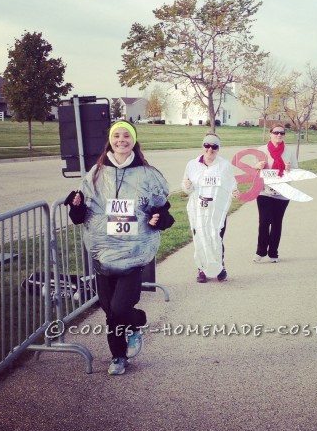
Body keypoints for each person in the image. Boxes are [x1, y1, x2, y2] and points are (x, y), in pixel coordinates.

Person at [64, 120, 173, 376]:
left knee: (120, 308)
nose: (121, 140)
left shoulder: (148, 174)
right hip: (103, 254)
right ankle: (131, 331)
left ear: (134, 140)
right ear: (110, 140)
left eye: (126, 136)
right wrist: (76, 205)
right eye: (117, 136)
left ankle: (119, 355)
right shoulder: (96, 173)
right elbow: (80, 217)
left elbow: (163, 213)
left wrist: (158, 219)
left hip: (133, 256)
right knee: (109, 309)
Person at [182, 133, 239, 283]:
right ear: (202, 146)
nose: (210, 149)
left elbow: (231, 184)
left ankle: (220, 267)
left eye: (214, 146)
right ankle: (201, 269)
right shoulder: (192, 165)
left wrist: (234, 191)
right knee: (200, 237)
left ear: (218, 148)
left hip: (216, 209)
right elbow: (186, 187)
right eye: (207, 145)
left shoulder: (224, 165)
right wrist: (187, 186)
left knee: (216, 237)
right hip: (198, 209)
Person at [253, 123, 298, 263]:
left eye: (282, 133)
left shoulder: (289, 151)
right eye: (276, 132)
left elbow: (296, 170)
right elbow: (253, 170)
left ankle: (273, 253)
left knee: (277, 222)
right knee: (265, 220)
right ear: (270, 134)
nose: (279, 135)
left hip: (282, 192)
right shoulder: (261, 150)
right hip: (264, 191)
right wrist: (257, 166)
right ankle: (260, 251)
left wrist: (290, 169)